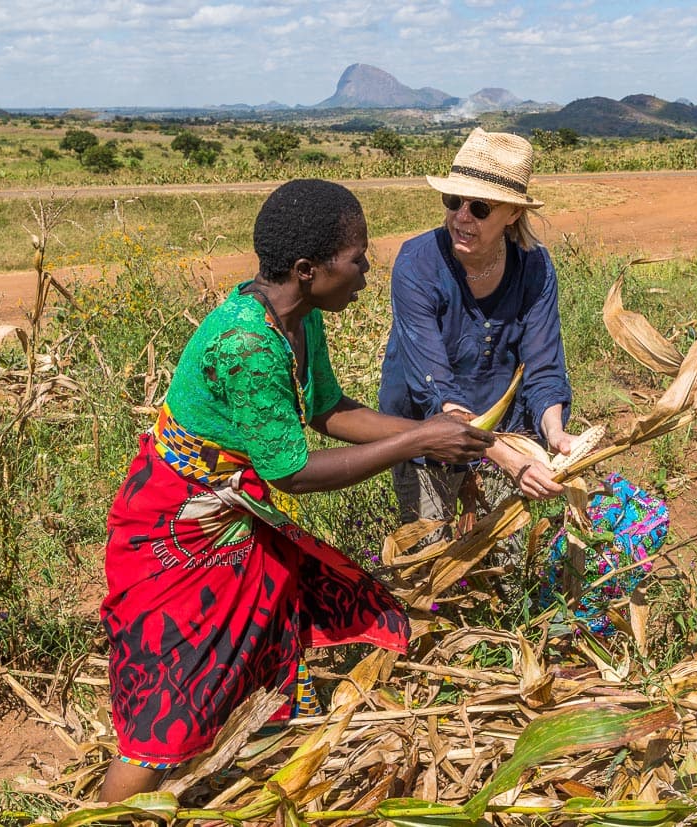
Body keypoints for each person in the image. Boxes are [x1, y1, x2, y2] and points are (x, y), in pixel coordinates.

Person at [99, 179, 494, 801]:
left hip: (231, 514)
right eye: (357, 259)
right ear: (308, 269)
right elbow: (291, 472)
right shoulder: (248, 343)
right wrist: (419, 443)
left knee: (236, 661)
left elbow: (330, 410)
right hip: (181, 529)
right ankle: (109, 810)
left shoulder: (299, 319)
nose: (366, 272)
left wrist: (433, 430)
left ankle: (222, 774)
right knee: (171, 705)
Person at [379, 127, 575, 539]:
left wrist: (554, 435)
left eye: (480, 208)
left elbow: (543, 365)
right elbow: (435, 389)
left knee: (504, 558)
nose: (461, 216)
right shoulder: (416, 264)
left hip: (508, 433)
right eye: (453, 201)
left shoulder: (535, 267)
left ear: (513, 214)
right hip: (429, 437)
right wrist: (508, 461)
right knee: (430, 557)